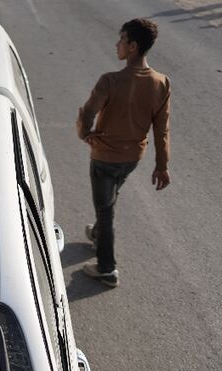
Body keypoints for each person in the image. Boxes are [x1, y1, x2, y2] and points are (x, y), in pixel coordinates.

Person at [76, 18, 171, 287]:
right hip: (132, 159)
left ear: (132, 46)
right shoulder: (162, 82)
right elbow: (162, 129)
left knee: (106, 209)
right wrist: (162, 165)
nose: (117, 44)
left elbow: (88, 113)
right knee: (110, 197)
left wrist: (84, 133)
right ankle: (97, 234)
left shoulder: (110, 80)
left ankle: (107, 268)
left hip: (105, 157)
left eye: (121, 40)